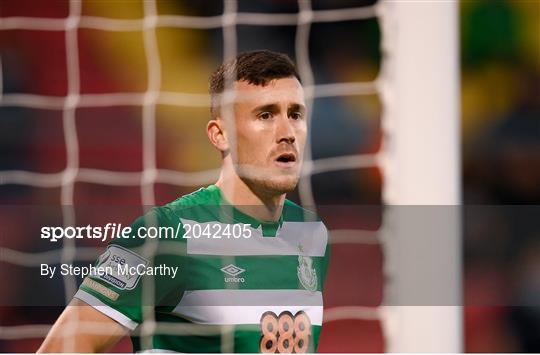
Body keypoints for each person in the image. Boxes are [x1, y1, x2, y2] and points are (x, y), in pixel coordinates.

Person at [38, 50, 330, 353]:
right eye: (265, 115)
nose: (287, 133)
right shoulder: (169, 233)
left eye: (295, 114)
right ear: (220, 135)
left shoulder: (311, 234)